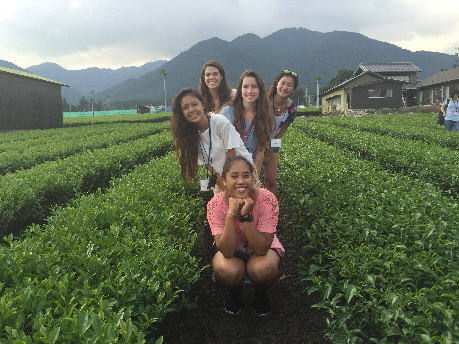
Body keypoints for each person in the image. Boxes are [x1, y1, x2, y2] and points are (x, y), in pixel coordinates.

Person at [207, 155, 284, 315]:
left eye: (246, 175)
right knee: (226, 270)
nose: (241, 181)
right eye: (234, 176)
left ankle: (261, 292)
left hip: (260, 248)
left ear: (253, 178)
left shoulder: (267, 199)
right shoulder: (214, 204)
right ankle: (235, 291)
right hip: (232, 249)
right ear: (225, 181)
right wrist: (231, 214)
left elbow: (262, 249)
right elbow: (227, 252)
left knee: (264, 269)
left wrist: (246, 215)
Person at [170, 88, 253, 193]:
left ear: (203, 104)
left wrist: (231, 190)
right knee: (220, 207)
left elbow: (232, 158)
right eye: (185, 107)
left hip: (243, 176)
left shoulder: (219, 122)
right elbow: (209, 165)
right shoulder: (190, 135)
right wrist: (225, 190)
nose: (191, 110)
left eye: (194, 104)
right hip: (221, 180)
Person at [220, 70, 274, 177]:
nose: (249, 91)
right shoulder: (227, 112)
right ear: (240, 89)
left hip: (249, 170)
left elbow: (260, 150)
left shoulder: (265, 115)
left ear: (260, 90)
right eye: (245, 87)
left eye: (254, 86)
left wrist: (255, 177)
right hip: (227, 171)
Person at [263, 70, 299, 197]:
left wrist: (270, 151)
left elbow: (279, 133)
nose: (285, 87)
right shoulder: (263, 100)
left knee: (270, 180)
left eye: (289, 85)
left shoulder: (292, 109)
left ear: (293, 89)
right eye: (282, 83)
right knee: (250, 178)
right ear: (276, 84)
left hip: (272, 142)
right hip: (255, 140)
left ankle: (272, 212)